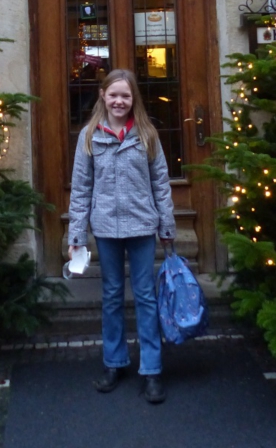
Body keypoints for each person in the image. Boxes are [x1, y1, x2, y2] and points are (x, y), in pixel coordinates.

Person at [68, 68, 175, 404]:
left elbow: (161, 183)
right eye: (113, 95)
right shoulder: (89, 136)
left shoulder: (147, 134)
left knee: (145, 296)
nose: (119, 101)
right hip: (106, 228)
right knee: (112, 295)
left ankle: (152, 369)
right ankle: (114, 362)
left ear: (133, 99)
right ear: (103, 95)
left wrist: (167, 227)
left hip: (142, 226)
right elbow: (81, 189)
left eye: (125, 96)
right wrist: (76, 235)